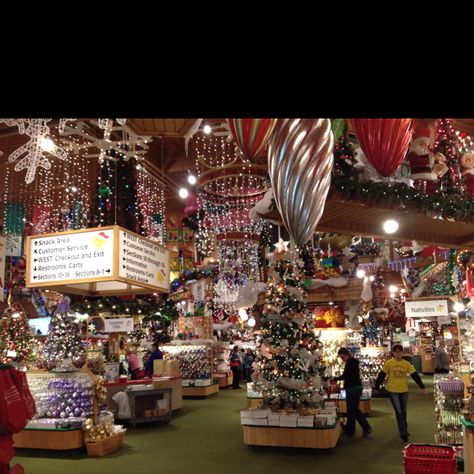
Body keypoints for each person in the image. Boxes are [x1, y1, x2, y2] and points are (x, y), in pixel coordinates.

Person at [375, 344, 428, 443]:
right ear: (393, 353)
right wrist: (376, 386)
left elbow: (415, 375)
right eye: (396, 351)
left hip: (404, 391)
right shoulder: (389, 363)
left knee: (403, 412)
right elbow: (381, 375)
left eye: (400, 351)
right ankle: (403, 433)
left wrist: (423, 387)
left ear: (402, 353)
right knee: (399, 412)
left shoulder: (406, 363)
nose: (398, 353)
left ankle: (404, 428)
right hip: (393, 391)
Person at [334, 347, 372, 438]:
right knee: (354, 410)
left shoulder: (351, 362)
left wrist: (336, 378)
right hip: (354, 388)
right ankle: (363, 428)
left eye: (342, 357)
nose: (342, 359)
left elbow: (346, 375)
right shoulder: (352, 362)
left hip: (353, 389)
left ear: (345, 354)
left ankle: (352, 430)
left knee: (352, 410)